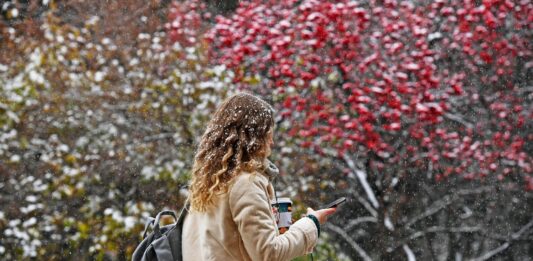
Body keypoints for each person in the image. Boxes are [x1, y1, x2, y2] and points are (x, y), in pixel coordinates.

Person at [182, 93, 336, 260]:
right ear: (254, 137)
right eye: (268, 134)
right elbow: (269, 254)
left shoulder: (209, 182)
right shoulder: (246, 184)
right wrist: (311, 224)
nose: (272, 142)